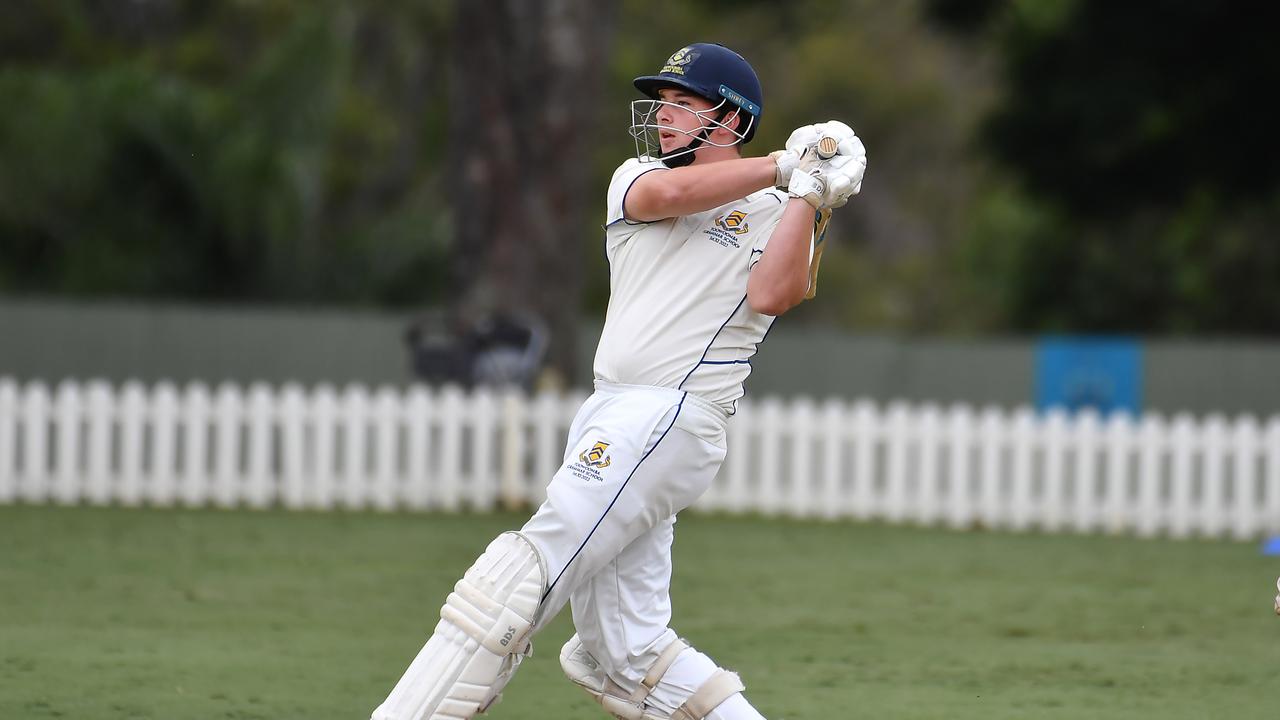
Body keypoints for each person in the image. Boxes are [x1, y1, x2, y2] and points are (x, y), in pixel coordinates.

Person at [372, 42, 866, 720]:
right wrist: (786, 163)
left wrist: (808, 192)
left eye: (683, 103)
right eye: (661, 102)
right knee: (621, 652)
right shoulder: (637, 177)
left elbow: (774, 293)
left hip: (672, 416)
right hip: (613, 412)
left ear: (730, 119)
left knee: (517, 581)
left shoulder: (781, 213)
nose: (663, 115)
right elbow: (667, 195)